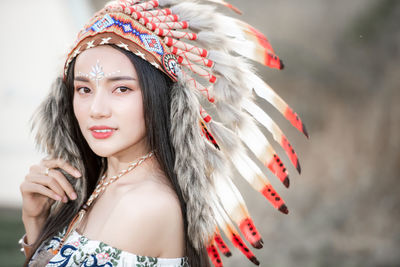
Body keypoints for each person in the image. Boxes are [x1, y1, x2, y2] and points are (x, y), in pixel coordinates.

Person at [19, 1, 308, 266]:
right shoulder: (100, 183)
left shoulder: (146, 206)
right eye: (84, 89)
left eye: (122, 89)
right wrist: (36, 221)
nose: (96, 109)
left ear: (159, 97)